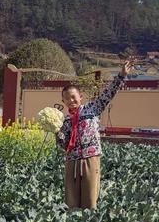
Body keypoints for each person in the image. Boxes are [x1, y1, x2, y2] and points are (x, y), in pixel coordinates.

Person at [56, 60, 132, 209]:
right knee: (71, 200)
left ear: (80, 97)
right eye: (67, 98)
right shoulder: (65, 120)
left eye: (73, 97)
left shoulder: (92, 109)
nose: (71, 101)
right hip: (72, 161)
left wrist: (121, 75)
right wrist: (56, 132)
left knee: (90, 199)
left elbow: (108, 94)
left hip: (90, 158)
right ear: (63, 101)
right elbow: (63, 145)